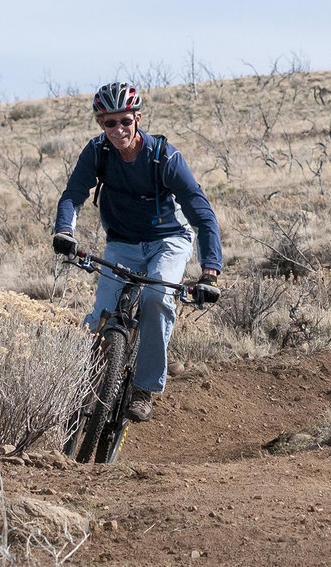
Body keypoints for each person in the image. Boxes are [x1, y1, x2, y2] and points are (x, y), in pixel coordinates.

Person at [53, 82, 222, 422]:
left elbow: (201, 213)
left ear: (138, 119)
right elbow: (73, 193)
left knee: (156, 298)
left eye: (125, 122)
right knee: (101, 315)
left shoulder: (164, 156)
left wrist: (209, 272)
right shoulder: (97, 152)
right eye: (109, 123)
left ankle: (144, 388)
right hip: (121, 242)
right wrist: (64, 231)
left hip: (169, 239)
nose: (118, 130)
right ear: (100, 124)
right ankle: (82, 385)